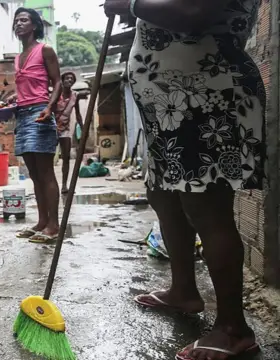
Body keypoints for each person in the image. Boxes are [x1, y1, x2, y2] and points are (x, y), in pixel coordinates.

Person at [104, 0, 265, 359]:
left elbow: (196, 12)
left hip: (204, 93)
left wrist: (129, 3)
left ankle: (232, 329)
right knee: (164, 194)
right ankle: (183, 291)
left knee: (206, 207)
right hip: (168, 101)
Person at [9, 8, 63, 243]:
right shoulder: (17, 57)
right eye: (16, 20)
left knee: (46, 173)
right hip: (22, 114)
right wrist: (14, 97)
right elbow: (27, 86)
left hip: (40, 113)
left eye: (24, 20)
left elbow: (57, 81)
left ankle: (54, 225)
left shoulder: (45, 50)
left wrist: (50, 108)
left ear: (34, 25)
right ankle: (42, 221)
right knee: (33, 174)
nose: (19, 23)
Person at [54, 72, 84, 194]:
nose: (69, 80)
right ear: (62, 80)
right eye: (67, 78)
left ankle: (64, 185)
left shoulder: (74, 96)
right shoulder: (56, 94)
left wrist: (83, 128)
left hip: (65, 130)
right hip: (52, 128)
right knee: (48, 158)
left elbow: (77, 114)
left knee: (66, 158)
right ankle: (50, 185)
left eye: (72, 79)